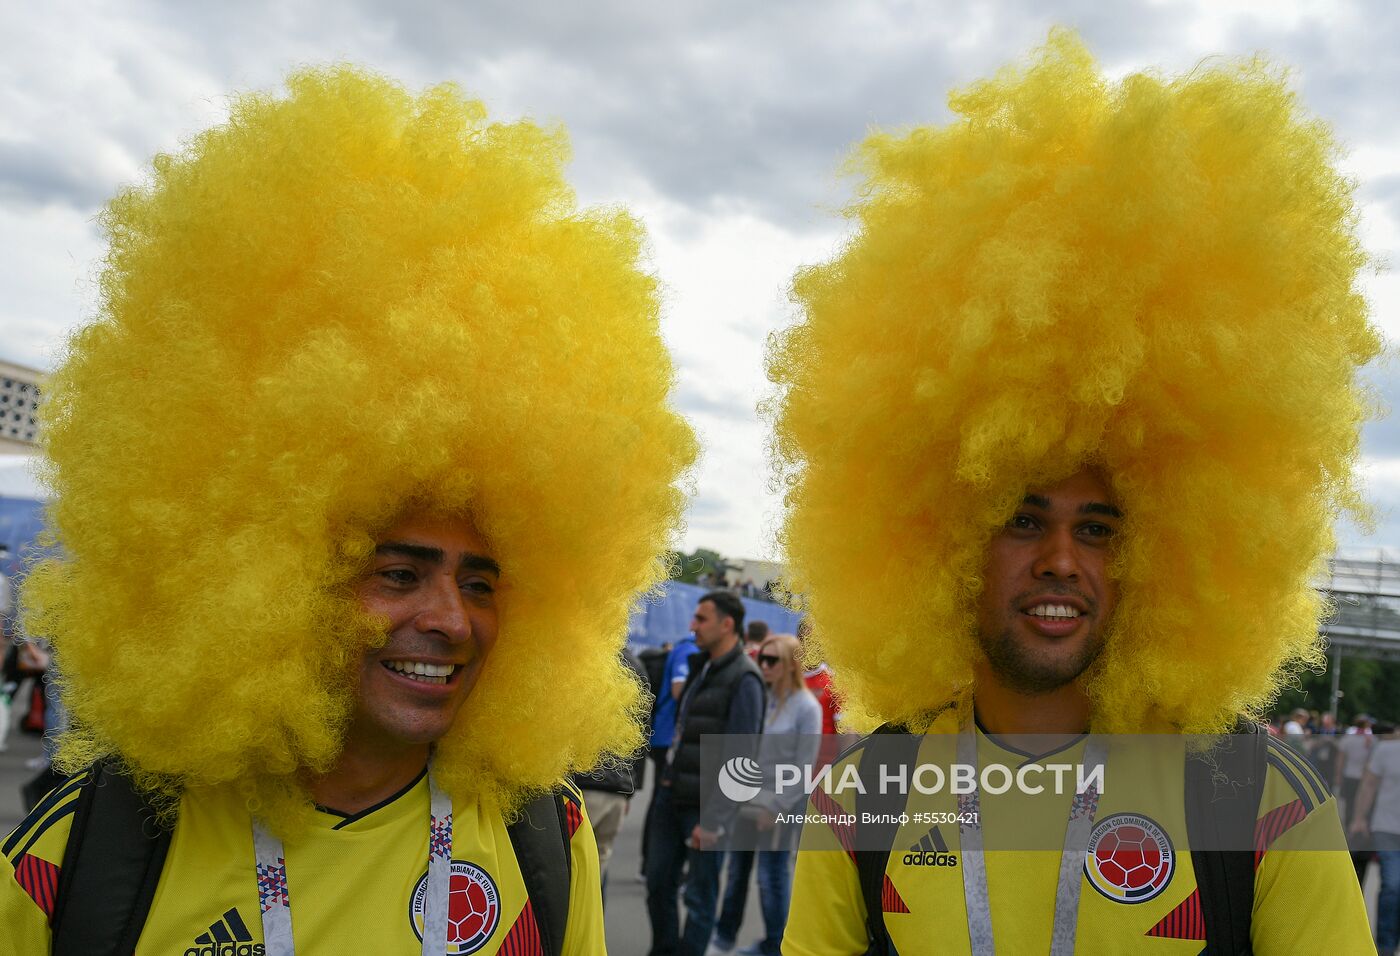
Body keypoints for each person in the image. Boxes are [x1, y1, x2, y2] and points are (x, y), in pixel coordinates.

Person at [0, 66, 696, 954]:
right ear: (264, 581)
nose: (449, 620)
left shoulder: (543, 842)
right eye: (399, 572)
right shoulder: (85, 857)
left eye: (482, 582)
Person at [765, 32, 1377, 954]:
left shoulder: (1256, 795)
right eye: (1022, 520)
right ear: (941, 538)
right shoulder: (862, 795)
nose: (1061, 560)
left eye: (1098, 527)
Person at [646, 591, 764, 955]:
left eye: (701, 619)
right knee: (658, 885)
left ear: (727, 624)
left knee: (699, 899)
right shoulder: (703, 665)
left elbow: (743, 758)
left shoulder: (745, 678)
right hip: (671, 794)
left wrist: (714, 820)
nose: (692, 625)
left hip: (706, 808)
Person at [709, 634, 820, 955]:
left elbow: (803, 766)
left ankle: (776, 945)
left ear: (791, 666)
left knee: (771, 877)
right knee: (737, 873)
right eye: (762, 659)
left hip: (780, 803)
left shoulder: (806, 708)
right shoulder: (762, 697)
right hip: (747, 801)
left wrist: (775, 806)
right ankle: (723, 938)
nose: (765, 665)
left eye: (773, 660)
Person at [1351, 723, 1400, 952]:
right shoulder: (1387, 750)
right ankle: (1385, 948)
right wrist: (1359, 817)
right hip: (1387, 828)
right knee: (1392, 886)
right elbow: (1368, 784)